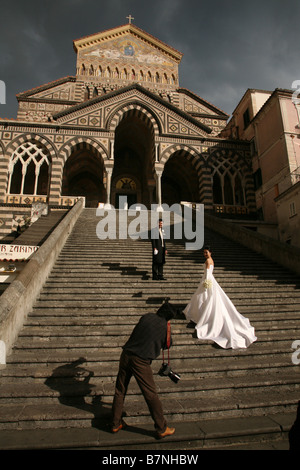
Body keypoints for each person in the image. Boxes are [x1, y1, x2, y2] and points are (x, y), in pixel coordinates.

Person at [111, 301, 176, 438]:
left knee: (120, 389)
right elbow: (167, 345)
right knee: (150, 394)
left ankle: (115, 423)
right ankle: (161, 427)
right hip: (140, 360)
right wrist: (168, 328)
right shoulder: (165, 327)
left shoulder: (146, 316)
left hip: (126, 354)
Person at [183, 246, 257, 349]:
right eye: (204, 253)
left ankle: (198, 317)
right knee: (201, 300)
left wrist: (206, 284)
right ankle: (198, 316)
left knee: (201, 299)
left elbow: (208, 274)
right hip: (208, 281)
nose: (205, 254)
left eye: (206, 252)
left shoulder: (208, 261)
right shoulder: (211, 260)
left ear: (210, 253)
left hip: (207, 282)